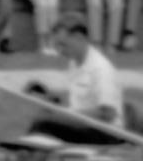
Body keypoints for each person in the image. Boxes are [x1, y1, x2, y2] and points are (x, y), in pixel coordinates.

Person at [20, 14, 125, 143]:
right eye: (57, 46)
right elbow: (79, 102)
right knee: (45, 120)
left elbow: (107, 114)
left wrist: (67, 116)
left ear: (79, 38)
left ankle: (24, 150)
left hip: (105, 133)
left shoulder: (101, 69)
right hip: (85, 125)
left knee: (44, 124)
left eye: (63, 45)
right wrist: (51, 99)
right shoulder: (75, 63)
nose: (59, 51)